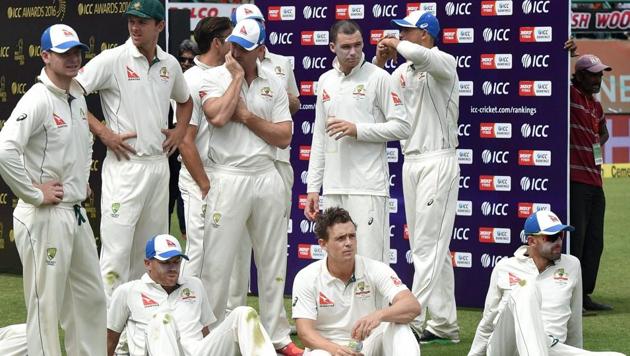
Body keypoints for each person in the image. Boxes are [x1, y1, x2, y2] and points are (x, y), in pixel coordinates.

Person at [0, 24, 107, 355]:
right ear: (45, 56)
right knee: (45, 307)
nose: (73, 58)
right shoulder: (38, 98)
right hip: (43, 215)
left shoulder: (75, 95)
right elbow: (5, 150)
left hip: (72, 213)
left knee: (91, 296)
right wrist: (35, 193)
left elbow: (80, 143)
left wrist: (79, 182)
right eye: (64, 53)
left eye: (76, 52)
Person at [75, 0, 193, 299]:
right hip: (125, 167)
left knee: (150, 255)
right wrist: (104, 132)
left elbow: (186, 100)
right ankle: (105, 336)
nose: (134, 27)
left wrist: (180, 131)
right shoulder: (113, 59)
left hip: (158, 166)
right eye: (131, 21)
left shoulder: (169, 64)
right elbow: (71, 92)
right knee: (115, 255)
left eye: (142, 21)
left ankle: (140, 329)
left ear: (159, 26)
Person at [198, 19, 301, 355]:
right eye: (233, 44)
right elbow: (217, 116)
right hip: (228, 176)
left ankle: (276, 333)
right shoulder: (215, 77)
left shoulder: (273, 80)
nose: (236, 51)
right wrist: (238, 77)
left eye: (244, 47)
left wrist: (248, 117)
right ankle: (212, 333)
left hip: (265, 173)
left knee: (273, 259)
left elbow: (284, 136)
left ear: (260, 50)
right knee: (217, 261)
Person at [375, 10, 460, 343]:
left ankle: (409, 316)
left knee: (429, 246)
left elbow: (417, 53)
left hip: (438, 159)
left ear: (425, 35)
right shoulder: (402, 70)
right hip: (411, 162)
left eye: (407, 31)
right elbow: (379, 94)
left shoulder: (443, 62)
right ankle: (444, 325)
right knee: (430, 247)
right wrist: (380, 61)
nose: (401, 37)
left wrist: (395, 43)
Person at [305, 20, 410, 263]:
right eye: (345, 47)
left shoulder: (380, 77)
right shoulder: (325, 81)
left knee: (371, 262)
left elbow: (402, 127)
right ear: (332, 47)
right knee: (335, 262)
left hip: (368, 186)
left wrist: (357, 130)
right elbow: (319, 136)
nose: (353, 52)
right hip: (333, 187)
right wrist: (313, 187)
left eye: (358, 45)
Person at [226, 2, 302, 317]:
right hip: (236, 166)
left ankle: (276, 324)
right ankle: (235, 314)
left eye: (254, 23)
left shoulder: (281, 63)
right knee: (234, 249)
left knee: (271, 248)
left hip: (276, 162)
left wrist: (271, 110)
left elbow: (293, 104)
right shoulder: (226, 67)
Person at [469, 211, 626, 356]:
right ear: (531, 241)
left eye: (561, 235)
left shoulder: (572, 265)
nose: (558, 241)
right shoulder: (505, 267)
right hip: (508, 347)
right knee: (525, 289)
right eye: (551, 237)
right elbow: (489, 321)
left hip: (552, 347)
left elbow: (574, 324)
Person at [107, 234, 277, 356]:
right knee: (162, 321)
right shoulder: (128, 291)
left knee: (244, 313)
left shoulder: (195, 284)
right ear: (147, 263)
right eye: (165, 263)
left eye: (177, 262)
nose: (173, 268)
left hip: (195, 351)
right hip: (154, 350)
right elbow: (110, 340)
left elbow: (205, 332)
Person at [292, 207, 421, 355]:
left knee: (400, 327)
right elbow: (305, 333)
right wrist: (338, 350)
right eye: (340, 238)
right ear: (323, 244)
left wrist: (379, 315)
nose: (348, 243)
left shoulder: (375, 269)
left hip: (368, 346)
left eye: (352, 236)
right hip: (328, 348)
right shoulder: (306, 277)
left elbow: (412, 306)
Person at [178, 16, 233, 278]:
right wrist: (204, 184)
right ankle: (187, 312)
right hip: (198, 176)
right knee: (197, 251)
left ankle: (217, 316)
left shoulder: (230, 73)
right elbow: (185, 139)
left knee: (220, 253)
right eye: (231, 40)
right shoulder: (190, 80)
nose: (236, 46)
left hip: (226, 174)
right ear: (217, 43)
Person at [569, 54, 613, 312]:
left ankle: (584, 295)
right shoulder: (570, 96)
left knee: (595, 243)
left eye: (600, 75)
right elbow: (550, 75)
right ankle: (572, 297)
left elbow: (603, 130)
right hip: (575, 181)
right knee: (578, 242)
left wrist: (594, 142)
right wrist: (566, 51)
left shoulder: (595, 106)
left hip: (595, 181)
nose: (598, 79)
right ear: (580, 75)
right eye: (593, 74)